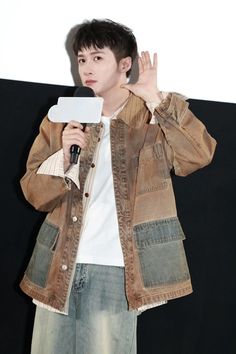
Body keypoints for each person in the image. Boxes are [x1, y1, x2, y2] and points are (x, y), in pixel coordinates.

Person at [20, 19, 216, 354]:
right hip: (59, 265)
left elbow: (198, 155)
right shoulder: (63, 117)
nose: (86, 68)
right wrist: (66, 159)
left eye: (97, 58)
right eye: (81, 59)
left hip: (118, 268)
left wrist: (158, 99)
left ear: (125, 64)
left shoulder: (153, 116)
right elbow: (34, 193)